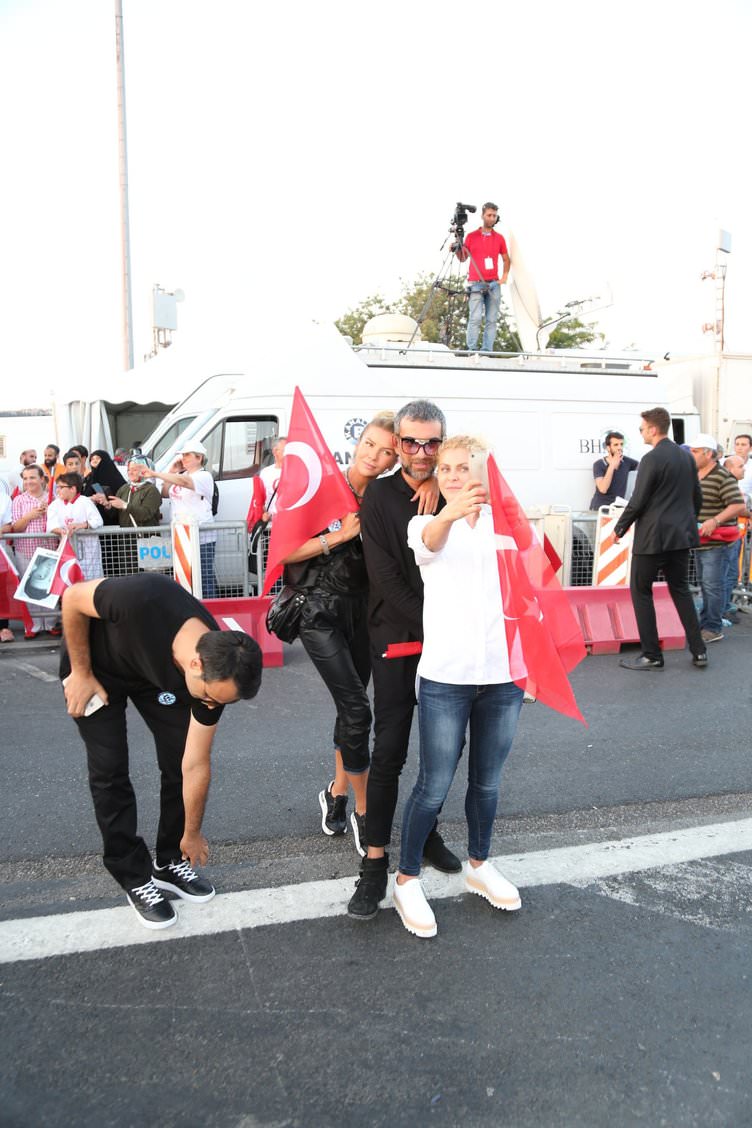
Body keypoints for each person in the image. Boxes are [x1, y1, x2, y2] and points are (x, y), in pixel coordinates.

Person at [60, 573, 263, 929]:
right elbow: (72, 597)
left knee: (177, 757)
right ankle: (133, 875)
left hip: (154, 680)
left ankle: (170, 860)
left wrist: (192, 833)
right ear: (196, 664)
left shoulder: (219, 671)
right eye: (210, 698)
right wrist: (80, 671)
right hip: (97, 666)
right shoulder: (140, 598)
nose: (213, 705)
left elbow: (196, 764)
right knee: (110, 768)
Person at [392, 436, 524, 938]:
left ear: (485, 474)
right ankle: (405, 879)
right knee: (434, 784)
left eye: (462, 467)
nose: (449, 474)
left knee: (487, 783)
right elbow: (429, 544)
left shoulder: (508, 528)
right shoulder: (426, 524)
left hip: (503, 677)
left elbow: (530, 596)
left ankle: (479, 864)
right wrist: (450, 511)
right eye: (443, 467)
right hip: (446, 677)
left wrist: (529, 669)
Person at [348, 400, 461, 922]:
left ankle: (426, 832)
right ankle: (374, 866)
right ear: (398, 444)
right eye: (412, 442)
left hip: (447, 644)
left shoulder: (455, 488)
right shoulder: (378, 498)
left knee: (440, 756)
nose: (422, 452)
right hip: (399, 640)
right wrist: (436, 625)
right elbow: (386, 580)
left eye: (432, 442)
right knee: (389, 752)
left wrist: (447, 490)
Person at [280, 417, 397, 855]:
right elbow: (285, 550)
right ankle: (365, 814)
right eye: (370, 444)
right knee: (355, 706)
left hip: (366, 613)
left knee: (351, 709)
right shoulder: (321, 487)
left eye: (387, 452)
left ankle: (337, 792)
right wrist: (340, 536)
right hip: (319, 611)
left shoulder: (388, 495)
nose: (375, 455)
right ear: (358, 440)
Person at [613, 408, 706, 671]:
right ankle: (699, 651)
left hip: (652, 538)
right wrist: (687, 522)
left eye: (642, 428)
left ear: (653, 429)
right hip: (681, 537)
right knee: (681, 591)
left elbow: (638, 500)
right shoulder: (688, 458)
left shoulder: (651, 459)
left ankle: (652, 654)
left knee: (641, 592)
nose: (640, 432)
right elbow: (696, 497)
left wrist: (620, 528)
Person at [689, 435, 745, 645]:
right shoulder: (694, 475)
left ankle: (712, 627)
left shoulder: (722, 476)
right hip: (701, 540)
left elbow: (737, 504)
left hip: (717, 542)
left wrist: (715, 520)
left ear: (709, 454)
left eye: (695, 451)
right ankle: (707, 624)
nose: (691, 454)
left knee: (712, 586)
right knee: (706, 585)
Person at [143, 440, 217, 597]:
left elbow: (186, 482)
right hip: (181, 534)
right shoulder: (179, 475)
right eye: (183, 455)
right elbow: (164, 492)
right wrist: (172, 470)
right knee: (185, 577)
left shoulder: (204, 476)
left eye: (188, 455)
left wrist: (155, 473)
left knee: (203, 576)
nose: (184, 458)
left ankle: (210, 608)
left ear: (199, 458)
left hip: (200, 537)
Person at [10, 463, 60, 637]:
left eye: (32, 477)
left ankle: (51, 622)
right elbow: (15, 528)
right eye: (25, 478)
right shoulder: (18, 500)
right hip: (26, 549)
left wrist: (49, 512)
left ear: (41, 479)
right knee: (29, 588)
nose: (28, 481)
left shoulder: (53, 498)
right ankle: (33, 625)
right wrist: (29, 516)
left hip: (48, 549)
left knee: (48, 587)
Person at [453, 202, 510, 353]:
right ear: (483, 216)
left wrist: (503, 277)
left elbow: (506, 259)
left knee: (491, 320)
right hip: (475, 283)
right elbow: (463, 258)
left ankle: (487, 351)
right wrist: (456, 248)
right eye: (489, 215)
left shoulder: (499, 238)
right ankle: (472, 349)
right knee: (475, 318)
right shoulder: (472, 237)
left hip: (493, 284)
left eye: (494, 216)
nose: (492, 218)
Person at [108, 456, 164, 574]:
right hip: (127, 543)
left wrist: (125, 505)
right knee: (130, 577)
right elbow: (115, 514)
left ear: (146, 469)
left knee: (150, 578)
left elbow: (145, 514)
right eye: (129, 469)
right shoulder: (124, 488)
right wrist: (107, 505)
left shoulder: (151, 490)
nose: (130, 472)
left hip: (147, 541)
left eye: (135, 469)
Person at [47, 472, 104, 580]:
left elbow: (98, 520)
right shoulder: (54, 505)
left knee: (90, 579)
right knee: (70, 579)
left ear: (72, 489)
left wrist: (81, 525)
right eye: (57, 487)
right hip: (68, 548)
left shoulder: (85, 501)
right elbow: (51, 525)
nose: (57, 490)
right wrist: (62, 531)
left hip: (89, 549)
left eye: (61, 487)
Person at [84, 450, 125, 576]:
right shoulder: (89, 479)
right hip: (93, 527)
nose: (94, 461)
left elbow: (122, 500)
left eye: (98, 458)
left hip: (112, 525)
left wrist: (107, 502)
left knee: (113, 558)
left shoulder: (116, 479)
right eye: (92, 459)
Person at [589, 431, 639, 509]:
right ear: (608, 447)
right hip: (600, 509)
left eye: (621, 444)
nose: (619, 447)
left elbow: (645, 467)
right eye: (616, 445)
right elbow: (603, 489)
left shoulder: (627, 462)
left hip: (617, 509)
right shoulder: (599, 464)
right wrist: (612, 465)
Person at [259, 436, 287, 521]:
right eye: (286, 450)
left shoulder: (297, 471)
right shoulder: (265, 473)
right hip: (272, 524)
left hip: (291, 522)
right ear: (275, 451)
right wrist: (264, 514)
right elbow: (260, 500)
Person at [0, 478, 14, 642]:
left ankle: (3, 627)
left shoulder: (3, 498)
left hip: (0, 553)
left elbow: (8, 524)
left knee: (1, 592)